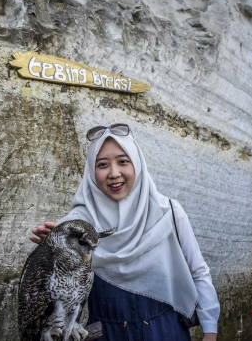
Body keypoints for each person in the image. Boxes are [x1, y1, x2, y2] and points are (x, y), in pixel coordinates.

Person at [30, 123, 220, 341]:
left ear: (137, 164)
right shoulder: (77, 225)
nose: (114, 173)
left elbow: (198, 272)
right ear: (92, 172)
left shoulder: (169, 213)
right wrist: (57, 252)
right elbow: (56, 295)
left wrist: (210, 333)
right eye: (102, 165)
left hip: (165, 332)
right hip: (106, 334)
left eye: (123, 161)